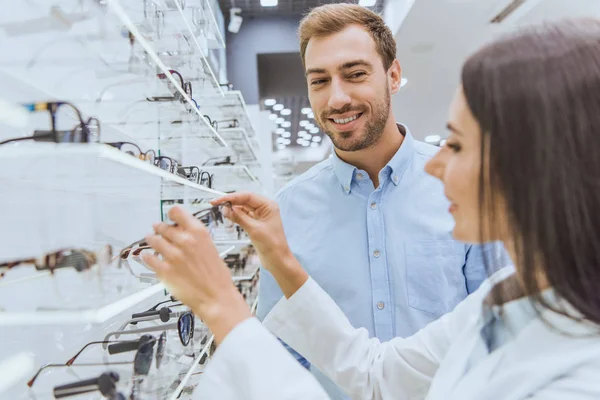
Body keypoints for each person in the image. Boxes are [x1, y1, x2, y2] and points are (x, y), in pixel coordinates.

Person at [143, 18, 600, 400]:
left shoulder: (577, 374)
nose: (436, 164)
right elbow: (376, 374)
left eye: (456, 144)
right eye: (319, 80)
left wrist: (224, 309)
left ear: (531, 163)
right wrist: (276, 264)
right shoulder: (506, 298)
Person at [258, 5, 507, 396]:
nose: (337, 98)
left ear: (393, 76)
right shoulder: (287, 210)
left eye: (355, 74)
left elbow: (498, 326)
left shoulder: (462, 186)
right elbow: (279, 357)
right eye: (319, 81)